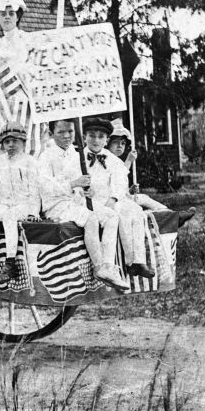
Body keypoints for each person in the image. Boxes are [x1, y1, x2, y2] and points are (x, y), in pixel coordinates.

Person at [0, 122, 73, 284]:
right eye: (7, 142)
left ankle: (10, 265)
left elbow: (35, 190)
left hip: (24, 204)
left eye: (15, 141)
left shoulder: (30, 162)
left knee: (9, 217)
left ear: (23, 142)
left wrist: (34, 212)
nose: (11, 145)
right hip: (5, 203)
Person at [39, 119, 129, 290]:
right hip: (56, 204)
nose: (66, 136)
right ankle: (98, 266)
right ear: (51, 134)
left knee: (111, 216)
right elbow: (45, 187)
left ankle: (109, 267)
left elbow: (80, 185)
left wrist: (86, 191)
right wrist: (73, 184)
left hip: (75, 201)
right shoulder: (46, 156)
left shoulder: (76, 153)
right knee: (91, 218)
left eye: (70, 132)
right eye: (60, 132)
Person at [81, 117, 143, 285]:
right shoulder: (76, 157)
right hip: (83, 203)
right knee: (108, 216)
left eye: (101, 137)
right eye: (91, 136)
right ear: (84, 137)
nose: (95, 140)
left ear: (106, 140)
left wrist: (113, 198)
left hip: (106, 203)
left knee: (126, 211)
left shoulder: (112, 159)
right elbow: (68, 180)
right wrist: (81, 190)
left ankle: (129, 262)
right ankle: (105, 266)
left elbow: (120, 182)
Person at [0, 0, 31, 81]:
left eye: (11, 14)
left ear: (17, 17)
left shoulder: (26, 39)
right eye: (3, 14)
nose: (7, 17)